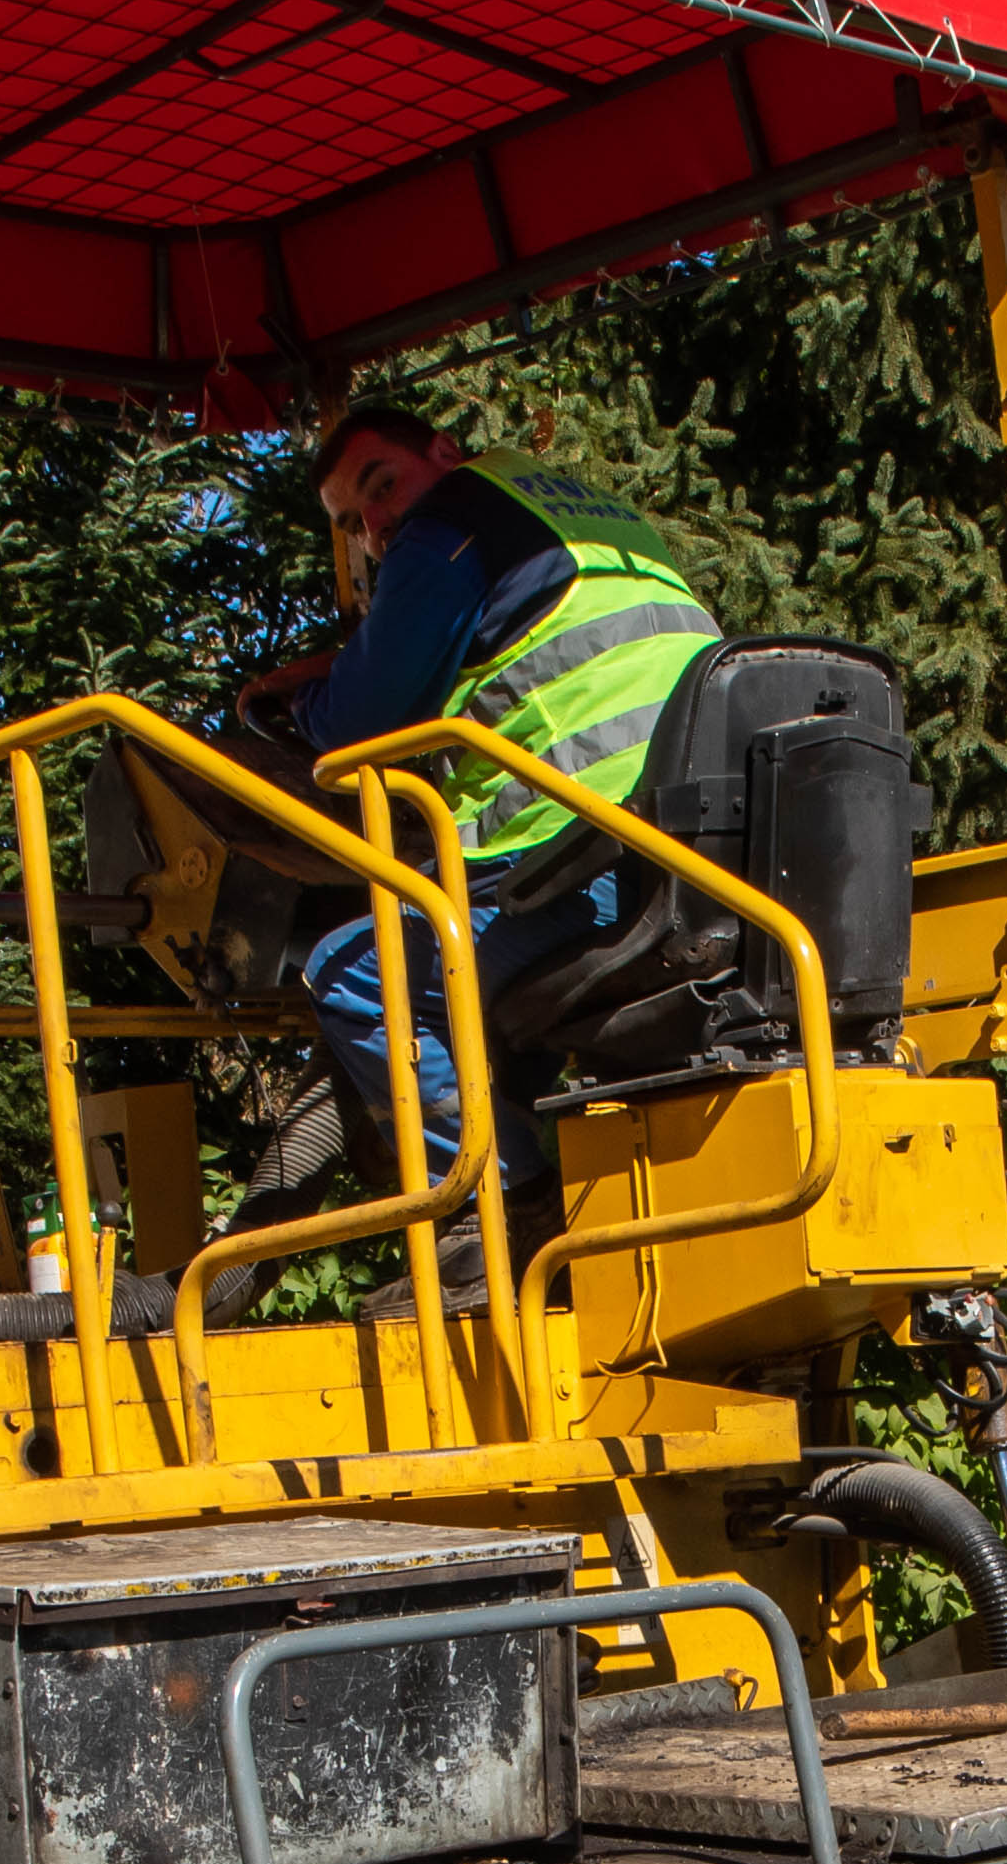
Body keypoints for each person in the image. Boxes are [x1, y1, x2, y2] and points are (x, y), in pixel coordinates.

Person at [233, 403, 716, 1268]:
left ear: (444, 454)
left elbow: (364, 718)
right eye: (354, 523)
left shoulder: (449, 521)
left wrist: (291, 699)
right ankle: (549, 1183)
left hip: (589, 857)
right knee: (467, 991)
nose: (378, 526)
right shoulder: (586, 515)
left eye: (382, 487)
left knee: (353, 972)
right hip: (702, 850)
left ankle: (511, 1207)